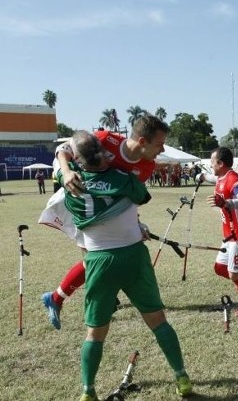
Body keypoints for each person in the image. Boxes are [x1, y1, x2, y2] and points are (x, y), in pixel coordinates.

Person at [58, 131, 192, 401]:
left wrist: (66, 164)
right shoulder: (126, 180)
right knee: (158, 322)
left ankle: (88, 391)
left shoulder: (68, 178)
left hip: (97, 260)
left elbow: (63, 154)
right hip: (133, 257)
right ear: (105, 154)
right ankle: (181, 376)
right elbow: (142, 196)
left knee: (95, 333)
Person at [39, 114, 168, 330]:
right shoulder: (105, 138)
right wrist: (68, 171)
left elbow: (126, 198)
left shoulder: (146, 167)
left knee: (96, 259)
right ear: (143, 141)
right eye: (160, 144)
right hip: (81, 203)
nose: (162, 150)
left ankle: (59, 298)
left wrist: (136, 223)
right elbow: (63, 150)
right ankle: (65, 299)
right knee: (94, 258)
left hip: (104, 211)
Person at [198, 147, 238, 317]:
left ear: (221, 163)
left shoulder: (232, 178)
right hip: (229, 235)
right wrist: (202, 176)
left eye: (212, 162)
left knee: (233, 274)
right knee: (219, 268)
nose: (210, 165)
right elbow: (213, 178)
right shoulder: (221, 177)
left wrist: (227, 203)